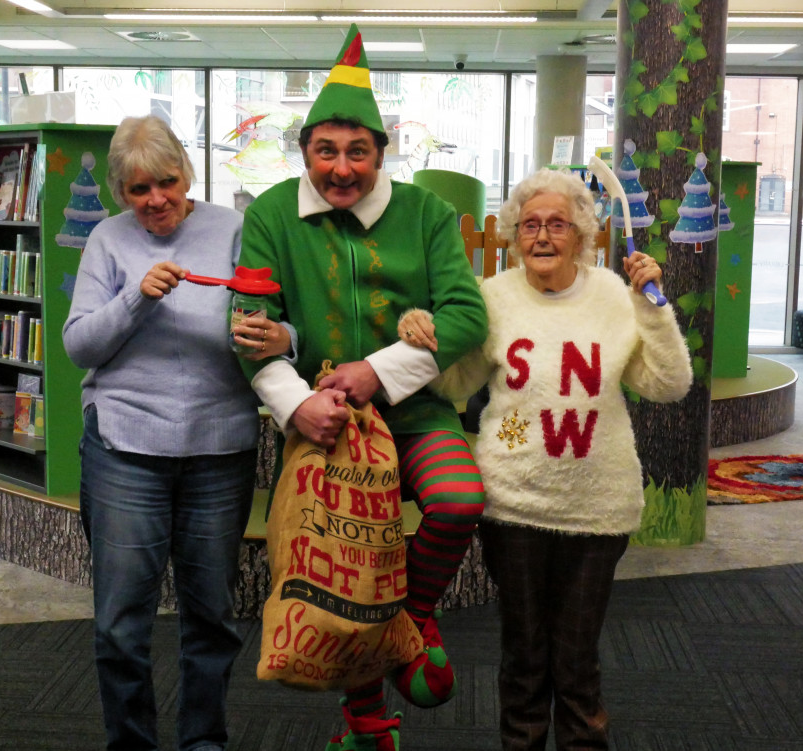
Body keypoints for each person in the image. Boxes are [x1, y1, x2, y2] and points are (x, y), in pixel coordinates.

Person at [235, 24, 489, 751]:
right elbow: (249, 325)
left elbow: (466, 315)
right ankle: (368, 724)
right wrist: (296, 402)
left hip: (417, 413)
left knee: (458, 499)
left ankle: (413, 614)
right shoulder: (273, 214)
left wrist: (380, 371)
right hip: (324, 422)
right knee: (350, 567)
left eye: (358, 151)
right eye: (326, 150)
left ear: (383, 152)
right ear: (306, 149)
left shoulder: (429, 215)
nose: (341, 168)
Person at [400, 167, 693, 750]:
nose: (542, 236)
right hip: (514, 505)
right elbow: (456, 384)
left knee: (577, 666)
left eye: (557, 224)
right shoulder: (494, 297)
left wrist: (652, 310)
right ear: (513, 233)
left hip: (596, 510)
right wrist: (425, 339)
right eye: (530, 224)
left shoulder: (615, 296)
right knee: (524, 659)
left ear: (582, 234)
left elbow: (669, 383)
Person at [62, 114, 293, 751]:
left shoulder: (235, 229)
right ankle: (131, 743)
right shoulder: (107, 241)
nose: (157, 200)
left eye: (167, 182)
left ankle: (203, 742)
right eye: (139, 190)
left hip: (220, 451)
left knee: (211, 619)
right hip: (123, 452)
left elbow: (289, 327)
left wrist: (284, 338)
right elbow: (79, 346)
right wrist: (137, 298)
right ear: (119, 193)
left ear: (187, 174)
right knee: (119, 624)